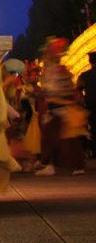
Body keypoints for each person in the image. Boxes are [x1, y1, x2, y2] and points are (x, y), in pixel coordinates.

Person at [36, 38, 87, 176]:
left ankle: (72, 165)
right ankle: (53, 165)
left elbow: (60, 89)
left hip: (61, 107)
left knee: (66, 138)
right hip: (56, 107)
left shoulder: (59, 69)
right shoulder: (51, 69)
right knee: (53, 137)